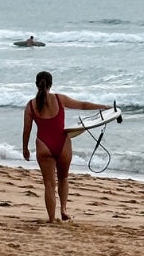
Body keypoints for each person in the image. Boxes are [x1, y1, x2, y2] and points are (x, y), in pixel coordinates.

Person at [22, 71, 108, 223]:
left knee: (49, 184)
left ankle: (51, 218)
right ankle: (63, 210)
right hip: (63, 144)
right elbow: (83, 105)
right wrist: (105, 107)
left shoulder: (30, 106)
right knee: (63, 178)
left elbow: (26, 130)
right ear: (51, 84)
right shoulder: (59, 98)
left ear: (36, 84)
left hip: (43, 145)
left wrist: (25, 148)